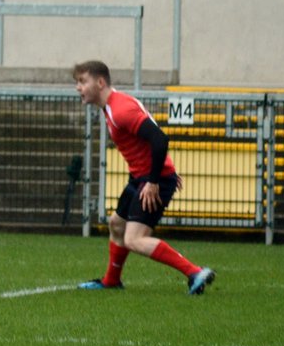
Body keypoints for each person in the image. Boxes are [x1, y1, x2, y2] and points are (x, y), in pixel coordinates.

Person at [72, 61, 216, 296]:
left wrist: (155, 180)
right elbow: (149, 141)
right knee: (116, 224)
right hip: (141, 178)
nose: (78, 87)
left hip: (151, 181)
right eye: (77, 82)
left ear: (100, 82)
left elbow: (159, 139)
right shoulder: (112, 107)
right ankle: (111, 281)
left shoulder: (120, 109)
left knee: (135, 239)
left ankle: (195, 272)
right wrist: (163, 171)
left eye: (82, 81)